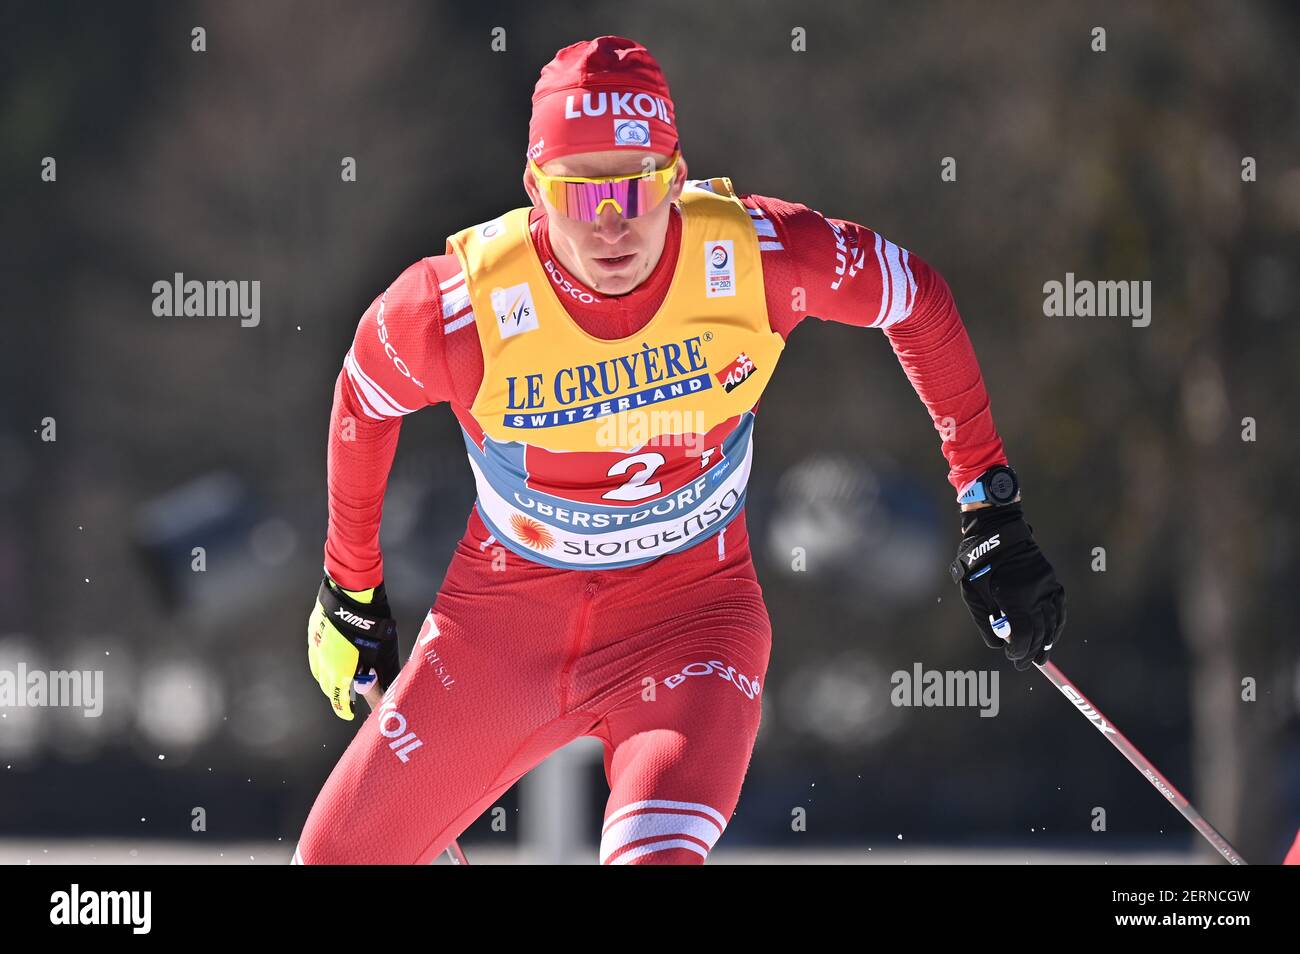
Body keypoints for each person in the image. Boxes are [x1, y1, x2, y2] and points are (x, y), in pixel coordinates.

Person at [295, 35, 1066, 865]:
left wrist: (991, 505)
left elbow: (917, 300)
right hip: (501, 631)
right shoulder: (455, 309)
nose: (616, 223)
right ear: (534, 191)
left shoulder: (760, 257)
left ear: (678, 176)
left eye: (642, 186)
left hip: (692, 624)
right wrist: (351, 587)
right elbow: (362, 400)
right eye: (582, 197)